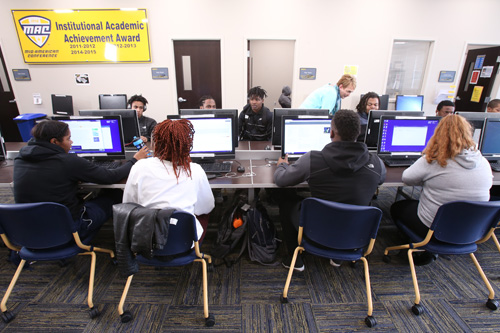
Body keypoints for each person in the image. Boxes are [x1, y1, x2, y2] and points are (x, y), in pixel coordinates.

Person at [274, 109, 386, 271]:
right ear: (358, 132)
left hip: (316, 230)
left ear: (331, 132)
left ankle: (295, 258)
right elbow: (381, 179)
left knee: (286, 201)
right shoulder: (376, 162)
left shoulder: (313, 159)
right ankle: (338, 256)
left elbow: (281, 180)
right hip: (354, 233)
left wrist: (282, 165)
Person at [13, 120, 149, 238]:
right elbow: (110, 177)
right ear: (54, 142)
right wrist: (134, 160)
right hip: (68, 229)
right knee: (114, 196)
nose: (71, 142)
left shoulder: (21, 158)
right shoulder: (67, 162)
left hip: (29, 230)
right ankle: (122, 243)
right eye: (68, 139)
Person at [390, 114, 492, 266]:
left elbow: (407, 178)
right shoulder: (482, 161)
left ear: (438, 134)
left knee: (397, 207)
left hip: (435, 232)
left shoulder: (435, 160)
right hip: (472, 230)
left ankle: (417, 248)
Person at [123, 119, 215, 242]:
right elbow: (206, 207)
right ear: (187, 145)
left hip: (146, 241)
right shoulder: (195, 170)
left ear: (155, 143)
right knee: (203, 214)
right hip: (183, 243)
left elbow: (128, 205)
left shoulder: (140, 167)